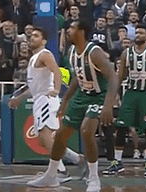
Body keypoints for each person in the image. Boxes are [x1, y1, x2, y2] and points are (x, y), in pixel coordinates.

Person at [28, 20, 118, 192]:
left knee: (86, 130)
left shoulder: (94, 52)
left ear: (81, 32)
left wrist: (108, 105)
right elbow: (78, 77)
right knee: (61, 134)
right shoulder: (72, 52)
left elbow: (113, 77)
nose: (68, 31)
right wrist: (66, 100)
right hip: (81, 95)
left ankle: (94, 178)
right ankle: (51, 175)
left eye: (72, 28)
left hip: (99, 95)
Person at [8, 27, 83, 177]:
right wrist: (19, 98)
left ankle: (60, 170)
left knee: (46, 136)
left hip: (46, 99)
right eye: (31, 35)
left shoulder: (45, 54)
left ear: (44, 41)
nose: (32, 38)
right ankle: (78, 159)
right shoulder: (33, 58)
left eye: (36, 36)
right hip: (38, 99)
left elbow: (56, 71)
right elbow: (33, 86)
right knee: (42, 141)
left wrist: (56, 89)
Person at [103, 24, 146, 178]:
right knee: (121, 127)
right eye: (137, 33)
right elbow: (120, 77)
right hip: (130, 94)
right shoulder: (126, 53)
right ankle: (117, 162)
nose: (138, 35)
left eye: (141, 32)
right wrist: (113, 97)